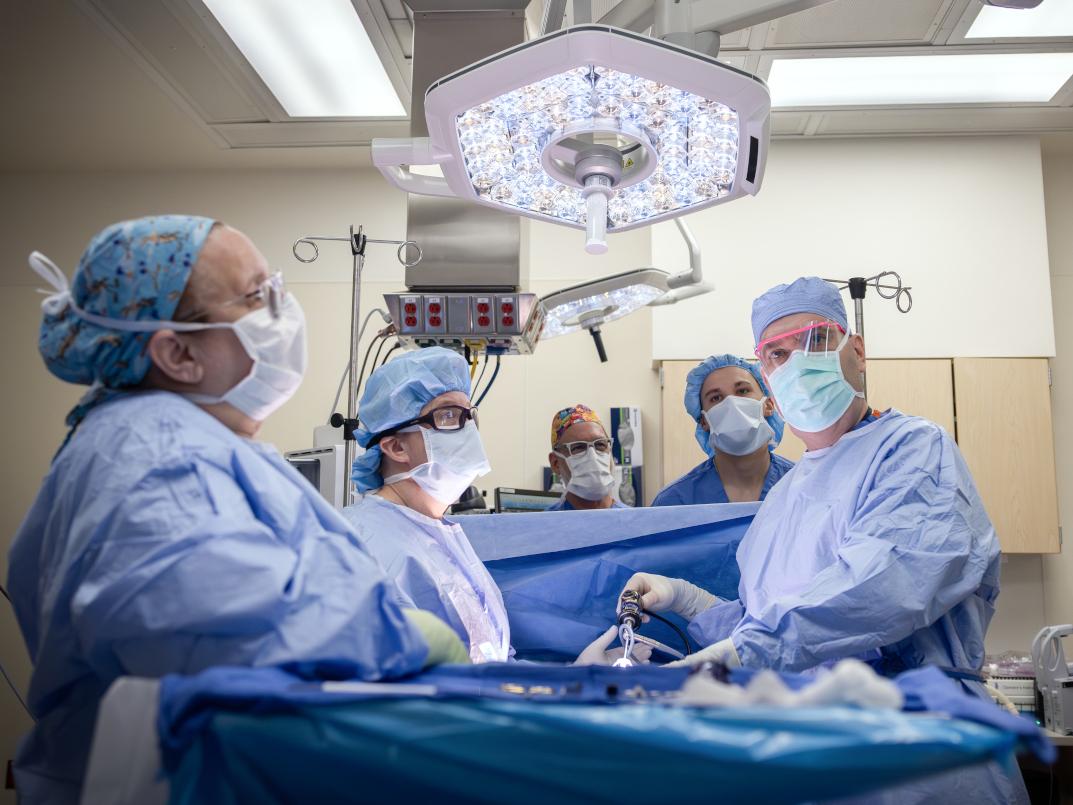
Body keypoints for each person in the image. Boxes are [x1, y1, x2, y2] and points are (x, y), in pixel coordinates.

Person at [6, 217, 466, 805]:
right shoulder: (153, 454)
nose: (282, 311)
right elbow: (229, 636)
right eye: (256, 297)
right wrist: (403, 638)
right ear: (176, 352)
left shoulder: (199, 444)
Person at [620, 276, 1021, 802]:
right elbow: (763, 615)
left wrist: (741, 652)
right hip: (817, 753)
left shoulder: (912, 450)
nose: (795, 365)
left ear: (857, 350)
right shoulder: (786, 497)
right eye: (776, 355)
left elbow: (879, 589)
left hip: (919, 754)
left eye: (813, 341)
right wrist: (685, 598)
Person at [345, 356, 650, 667]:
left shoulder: (442, 535)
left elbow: (492, 660)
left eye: (469, 416)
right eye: (448, 415)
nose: (467, 432)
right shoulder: (363, 543)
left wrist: (569, 676)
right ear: (397, 448)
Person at [652, 354, 793, 506]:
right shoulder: (674, 502)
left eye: (743, 391)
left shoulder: (804, 486)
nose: (731, 403)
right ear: (704, 421)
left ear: (769, 405)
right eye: (716, 398)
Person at [545, 404, 628, 511]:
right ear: (555, 463)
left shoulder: (637, 523)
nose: (593, 456)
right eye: (578, 447)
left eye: (600, 445)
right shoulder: (543, 524)